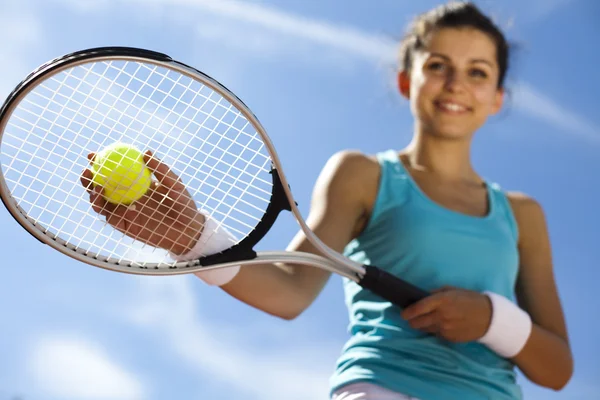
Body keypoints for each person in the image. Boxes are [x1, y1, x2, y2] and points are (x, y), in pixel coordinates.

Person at [81, 1, 573, 399]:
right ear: (407, 80)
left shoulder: (523, 214)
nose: (456, 85)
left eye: (478, 72)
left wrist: (494, 319)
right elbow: (290, 290)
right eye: (438, 66)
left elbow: (556, 368)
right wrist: (192, 237)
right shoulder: (362, 175)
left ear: (497, 98)